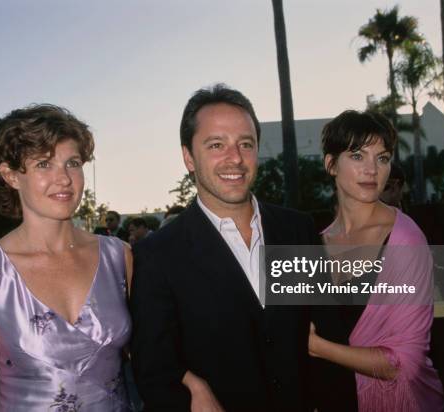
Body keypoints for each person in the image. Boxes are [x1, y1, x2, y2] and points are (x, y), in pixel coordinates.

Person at [130, 84, 317, 412]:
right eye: (216, 145)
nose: (235, 158)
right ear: (189, 157)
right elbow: (153, 368)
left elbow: (318, 333)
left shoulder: (297, 230)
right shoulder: (157, 255)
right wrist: (189, 386)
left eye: (246, 144)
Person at [0, 104, 132, 411]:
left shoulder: (119, 257)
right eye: (45, 164)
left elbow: (150, 357)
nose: (64, 179)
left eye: (72, 163)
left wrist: (194, 383)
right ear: (10, 175)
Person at [308, 110, 444, 411]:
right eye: (357, 155)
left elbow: (404, 365)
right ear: (330, 164)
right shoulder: (316, 242)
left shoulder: (405, 239)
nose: (372, 169)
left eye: (382, 158)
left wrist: (317, 347)